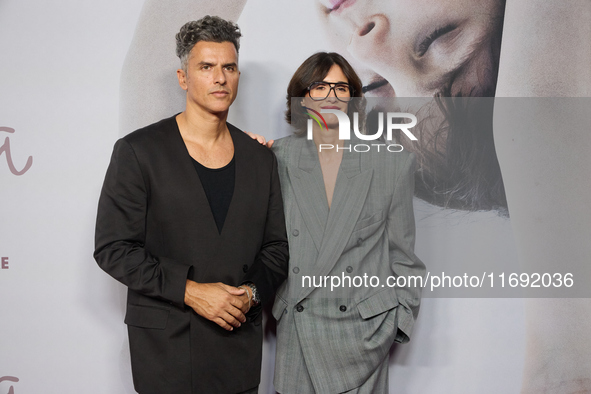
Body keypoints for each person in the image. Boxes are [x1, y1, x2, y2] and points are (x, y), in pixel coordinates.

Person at [94, 16, 289, 394]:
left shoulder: (260, 158)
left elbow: (277, 248)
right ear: (184, 78)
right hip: (165, 354)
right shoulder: (139, 151)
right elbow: (113, 248)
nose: (220, 78)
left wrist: (251, 294)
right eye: (206, 67)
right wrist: (190, 291)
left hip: (237, 354)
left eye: (229, 67)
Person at [267, 52, 425, 393]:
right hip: (300, 329)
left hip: (364, 336)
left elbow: (405, 259)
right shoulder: (274, 159)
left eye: (341, 88)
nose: (331, 97)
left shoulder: (390, 164)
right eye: (319, 87)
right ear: (302, 98)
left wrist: (394, 322)